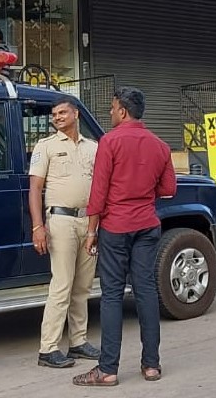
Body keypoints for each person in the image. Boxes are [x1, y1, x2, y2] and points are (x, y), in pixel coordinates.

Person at [73, 87, 176, 387]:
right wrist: (143, 191)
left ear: (122, 111)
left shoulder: (110, 141)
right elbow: (169, 187)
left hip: (116, 227)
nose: (109, 112)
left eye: (112, 107)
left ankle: (107, 369)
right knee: (145, 291)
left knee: (112, 296)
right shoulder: (159, 145)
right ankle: (152, 365)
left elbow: (99, 192)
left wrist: (91, 231)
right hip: (146, 224)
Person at [29, 97, 102, 369]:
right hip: (60, 221)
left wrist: (95, 227)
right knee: (62, 285)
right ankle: (48, 348)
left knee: (83, 286)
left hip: (88, 222)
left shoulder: (93, 148)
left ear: (76, 115)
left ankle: (78, 342)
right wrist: (38, 226)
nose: (57, 117)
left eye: (62, 112)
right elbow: (35, 189)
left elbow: (98, 190)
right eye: (54, 114)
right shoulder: (45, 146)